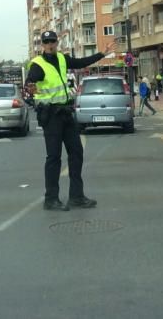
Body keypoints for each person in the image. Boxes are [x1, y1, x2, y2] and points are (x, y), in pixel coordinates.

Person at [26, 30, 109, 212]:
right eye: (46, 42)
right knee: (54, 157)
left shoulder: (63, 59)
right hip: (51, 116)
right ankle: (51, 199)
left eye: (52, 41)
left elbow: (81, 62)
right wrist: (30, 87)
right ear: (42, 45)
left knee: (77, 153)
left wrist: (101, 54)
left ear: (57, 42)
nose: (50, 44)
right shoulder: (37, 64)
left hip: (66, 113)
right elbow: (31, 82)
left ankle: (77, 197)